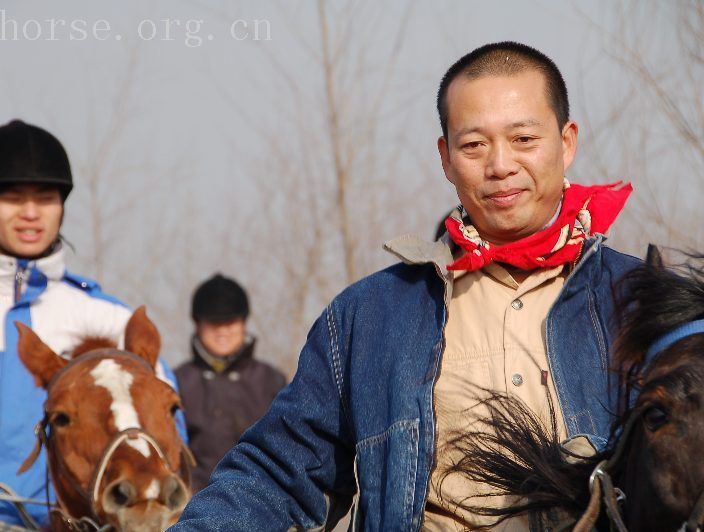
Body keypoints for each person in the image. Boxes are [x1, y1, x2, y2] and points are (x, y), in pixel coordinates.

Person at [170, 41, 639, 530]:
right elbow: (279, 476)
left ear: (566, 142)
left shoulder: (639, 304)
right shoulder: (370, 318)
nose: (500, 165)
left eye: (523, 139)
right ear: (446, 157)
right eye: (474, 144)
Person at [0, 119, 187, 530]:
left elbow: (167, 428)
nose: (31, 213)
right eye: (13, 199)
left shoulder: (111, 317)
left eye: (46, 198)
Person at [174, 274, 286, 493]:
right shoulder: (176, 383)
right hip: (194, 509)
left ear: (244, 323)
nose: (223, 331)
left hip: (262, 505)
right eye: (214, 323)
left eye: (230, 322)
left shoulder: (271, 381)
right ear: (198, 325)